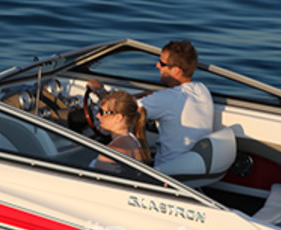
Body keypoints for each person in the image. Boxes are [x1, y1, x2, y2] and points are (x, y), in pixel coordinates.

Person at [90, 40, 213, 169]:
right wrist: (145, 94)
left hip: (167, 171)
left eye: (162, 63)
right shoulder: (202, 89)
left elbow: (121, 108)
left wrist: (99, 90)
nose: (157, 65)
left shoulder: (166, 98)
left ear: (176, 70)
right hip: (193, 166)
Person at [91, 91, 151, 172]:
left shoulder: (109, 154)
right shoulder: (134, 142)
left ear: (118, 117)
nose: (97, 115)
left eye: (102, 112)